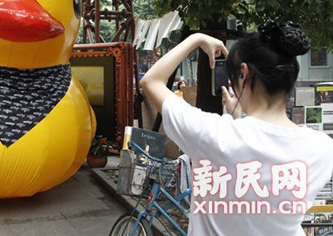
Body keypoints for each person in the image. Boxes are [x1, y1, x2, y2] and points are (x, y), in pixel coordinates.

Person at [140, 21, 333, 236]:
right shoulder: (322, 148)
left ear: (244, 72)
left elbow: (151, 81)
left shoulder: (212, 134)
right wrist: (239, 117)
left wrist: (197, 39)